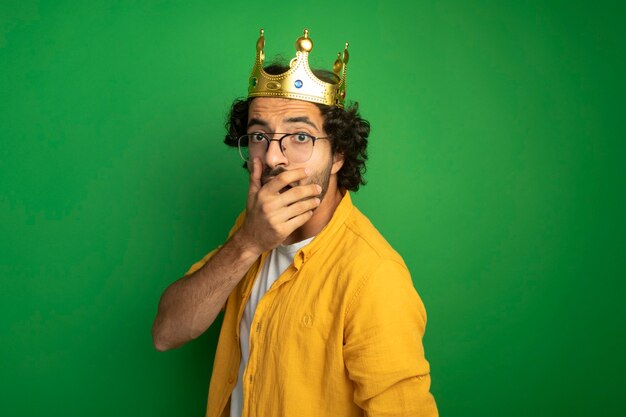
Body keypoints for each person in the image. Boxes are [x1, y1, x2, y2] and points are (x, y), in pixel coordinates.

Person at [152, 29, 438, 417]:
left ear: (338, 154)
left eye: (300, 136)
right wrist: (248, 243)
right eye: (258, 135)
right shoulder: (251, 230)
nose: (272, 158)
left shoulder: (373, 276)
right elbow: (167, 333)